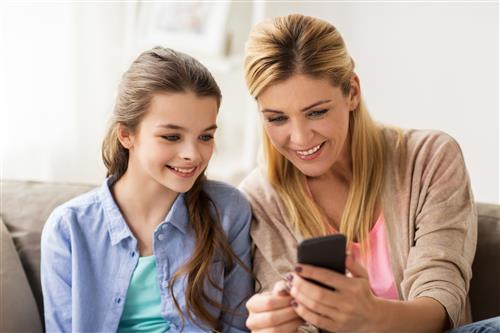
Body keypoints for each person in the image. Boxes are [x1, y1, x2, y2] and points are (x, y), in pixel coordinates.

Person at [239, 14, 485, 332]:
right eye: (277, 119)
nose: (299, 138)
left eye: (317, 112)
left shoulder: (429, 159)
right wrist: (276, 324)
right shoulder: (258, 201)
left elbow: (441, 304)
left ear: (352, 92)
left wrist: (370, 315)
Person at [41, 47, 253, 333]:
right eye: (171, 136)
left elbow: (238, 326)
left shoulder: (228, 210)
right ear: (127, 135)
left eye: (205, 136)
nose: (193, 153)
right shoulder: (68, 228)